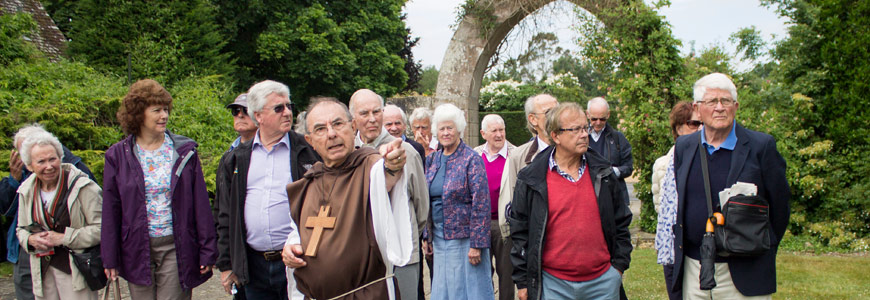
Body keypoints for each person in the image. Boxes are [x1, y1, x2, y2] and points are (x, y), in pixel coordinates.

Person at [671, 73, 790, 299]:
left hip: (745, 270)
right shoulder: (684, 147)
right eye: (711, 101)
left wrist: (762, 247)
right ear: (697, 108)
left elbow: (780, 207)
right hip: (694, 267)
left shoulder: (761, 146)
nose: (719, 108)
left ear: (735, 106)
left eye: (725, 101)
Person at [282, 98, 412, 299]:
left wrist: (392, 163)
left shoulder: (370, 167)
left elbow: (386, 174)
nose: (332, 134)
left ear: (352, 127)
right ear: (310, 141)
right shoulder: (308, 183)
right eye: (320, 129)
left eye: (337, 124)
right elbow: (297, 231)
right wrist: (291, 247)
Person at [102, 79, 217, 299]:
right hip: (136, 248)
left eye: (166, 109)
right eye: (156, 110)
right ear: (138, 114)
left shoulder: (184, 151)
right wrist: (110, 257)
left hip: (177, 246)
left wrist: (207, 251)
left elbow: (200, 204)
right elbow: (111, 208)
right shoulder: (117, 156)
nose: (164, 115)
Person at [509, 102, 632, 300]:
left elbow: (621, 221)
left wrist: (617, 268)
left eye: (586, 128)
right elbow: (520, 231)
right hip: (553, 285)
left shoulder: (604, 173)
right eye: (575, 129)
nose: (584, 135)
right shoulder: (532, 177)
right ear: (555, 136)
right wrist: (523, 282)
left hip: (602, 283)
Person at [214, 80, 319, 300]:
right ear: (258, 116)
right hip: (253, 266)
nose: (287, 112)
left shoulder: (308, 152)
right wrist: (226, 265)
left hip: (299, 261)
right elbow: (224, 215)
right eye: (278, 108)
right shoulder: (235, 159)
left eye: (289, 106)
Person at [349, 89, 429, 300]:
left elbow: (421, 207)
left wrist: (402, 232)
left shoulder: (405, 152)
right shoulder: (348, 153)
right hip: (360, 256)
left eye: (377, 111)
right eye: (364, 113)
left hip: (400, 256)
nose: (372, 119)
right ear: (353, 118)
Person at [1, 124, 95, 300]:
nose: (48, 166)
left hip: (73, 261)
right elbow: (15, 221)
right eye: (40, 161)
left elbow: (100, 225)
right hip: (34, 259)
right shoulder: (25, 186)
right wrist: (29, 239)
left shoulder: (78, 178)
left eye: (51, 159)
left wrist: (63, 238)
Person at [424, 103, 493, 300]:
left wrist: (477, 244)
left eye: (450, 128)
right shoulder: (433, 160)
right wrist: (426, 237)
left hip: (465, 241)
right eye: (442, 128)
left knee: (469, 291)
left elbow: (481, 203)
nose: (446, 133)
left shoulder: (471, 159)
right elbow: (427, 201)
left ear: (459, 129)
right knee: (443, 290)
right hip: (438, 238)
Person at [652, 101, 702, 300]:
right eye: (693, 124)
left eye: (701, 123)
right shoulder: (663, 164)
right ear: (678, 127)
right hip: (672, 245)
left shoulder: (707, 160)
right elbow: (660, 208)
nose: (699, 128)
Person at [498, 94, 558, 241]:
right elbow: (513, 205)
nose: (556, 117)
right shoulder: (518, 157)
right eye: (549, 112)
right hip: (534, 240)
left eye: (559, 111)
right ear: (533, 119)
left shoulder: (574, 152)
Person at [472, 114, 515, 300]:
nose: (499, 135)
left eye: (501, 130)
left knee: (507, 273)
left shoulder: (515, 154)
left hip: (504, 223)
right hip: (481, 223)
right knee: (481, 273)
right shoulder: (475, 154)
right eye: (494, 131)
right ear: (483, 134)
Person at [586, 97, 634, 206]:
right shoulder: (580, 137)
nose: (598, 123)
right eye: (594, 119)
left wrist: (613, 172)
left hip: (613, 197)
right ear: (587, 114)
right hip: (588, 196)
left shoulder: (618, 138)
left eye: (602, 119)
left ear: (608, 115)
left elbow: (628, 167)